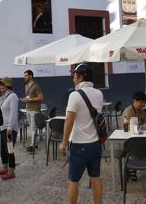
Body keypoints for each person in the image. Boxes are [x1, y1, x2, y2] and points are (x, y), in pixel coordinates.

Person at [59, 63, 104, 204]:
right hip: (96, 143)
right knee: (95, 178)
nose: (73, 78)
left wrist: (64, 142)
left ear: (80, 77)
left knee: (73, 180)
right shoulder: (99, 93)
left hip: (80, 145)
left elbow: (69, 121)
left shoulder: (74, 95)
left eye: (74, 75)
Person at [0, 77, 19, 180]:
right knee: (2, 150)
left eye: (3, 84)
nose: (1, 86)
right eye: (0, 85)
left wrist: (10, 128)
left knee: (10, 150)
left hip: (9, 128)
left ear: (8, 85)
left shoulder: (12, 96)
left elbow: (13, 113)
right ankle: (5, 166)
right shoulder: (3, 97)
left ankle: (11, 170)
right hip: (2, 127)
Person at [122, 91, 146, 181]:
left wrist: (145, 126)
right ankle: (131, 168)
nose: (143, 104)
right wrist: (143, 127)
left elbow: (145, 122)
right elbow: (128, 128)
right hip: (129, 139)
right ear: (134, 101)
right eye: (141, 102)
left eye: (144, 102)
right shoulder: (128, 111)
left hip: (140, 136)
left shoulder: (141, 110)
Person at [20, 70, 44, 153]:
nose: (24, 77)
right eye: (24, 76)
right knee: (32, 128)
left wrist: (30, 99)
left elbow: (41, 98)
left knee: (33, 128)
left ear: (31, 76)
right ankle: (35, 144)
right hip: (28, 108)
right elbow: (28, 97)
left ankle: (32, 146)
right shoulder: (26, 86)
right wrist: (25, 99)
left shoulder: (36, 86)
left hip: (35, 109)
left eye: (26, 75)